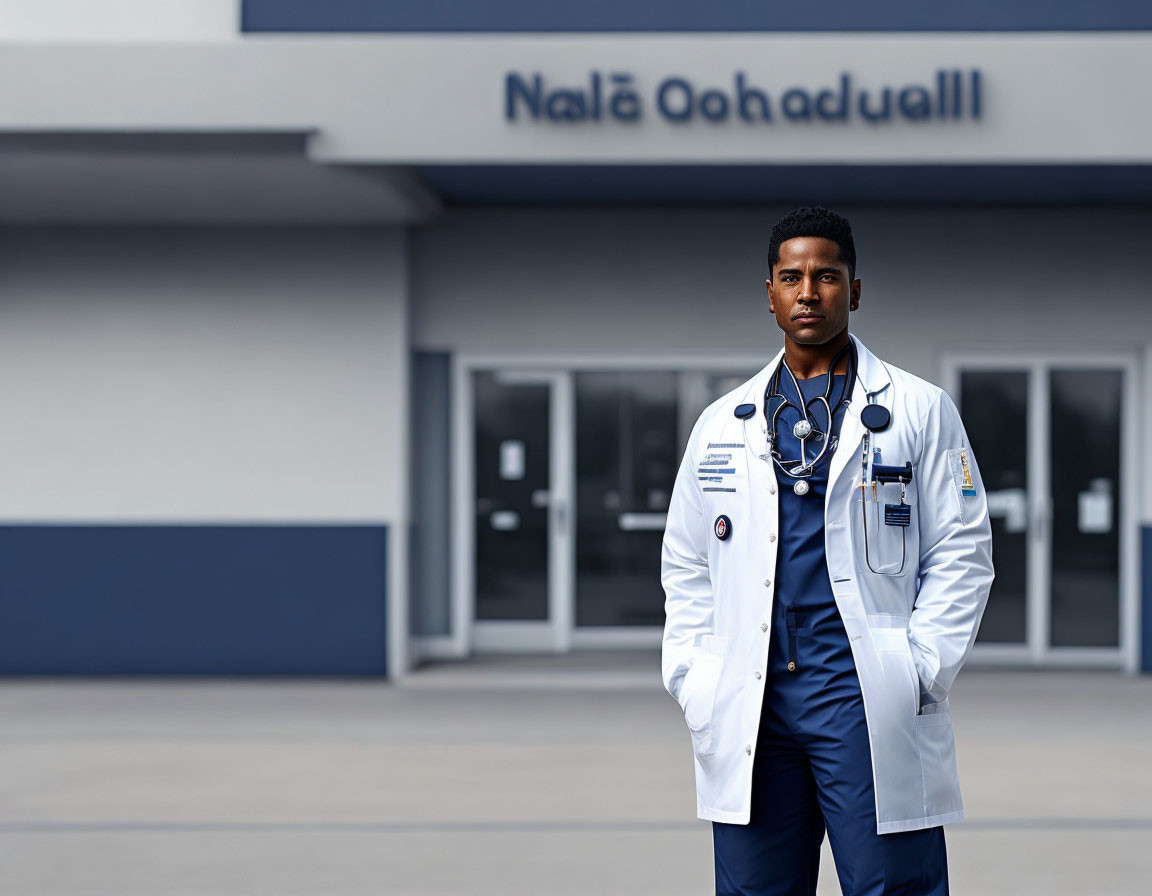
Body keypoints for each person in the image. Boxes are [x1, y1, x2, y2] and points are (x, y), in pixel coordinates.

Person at [660, 207, 994, 895]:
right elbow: (687, 563)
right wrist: (695, 678)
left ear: (856, 290)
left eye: (826, 276)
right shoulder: (722, 423)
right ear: (771, 292)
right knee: (756, 886)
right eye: (792, 277)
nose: (808, 291)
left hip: (861, 685)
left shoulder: (920, 409)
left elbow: (963, 550)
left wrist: (920, 668)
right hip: (754, 690)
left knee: (891, 884)